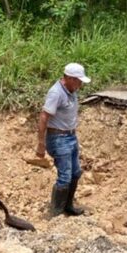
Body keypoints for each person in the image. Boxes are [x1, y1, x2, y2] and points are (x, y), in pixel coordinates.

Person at [36, 63, 92, 217]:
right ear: (69, 78)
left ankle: (68, 206)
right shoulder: (56, 93)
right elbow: (43, 117)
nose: (80, 84)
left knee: (75, 173)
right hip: (58, 138)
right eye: (78, 81)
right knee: (65, 176)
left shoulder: (71, 90)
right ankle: (56, 212)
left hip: (70, 136)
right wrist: (41, 144)